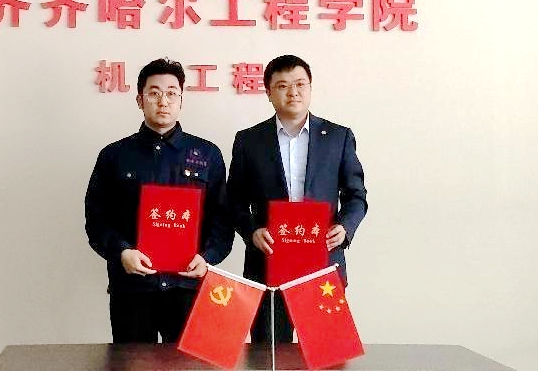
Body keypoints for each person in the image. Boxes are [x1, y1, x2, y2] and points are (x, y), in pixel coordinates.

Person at [85, 57, 233, 343]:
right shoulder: (114, 156)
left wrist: (208, 258)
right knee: (132, 362)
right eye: (154, 93)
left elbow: (222, 219)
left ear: (181, 100)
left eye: (171, 93)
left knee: (187, 363)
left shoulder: (208, 154)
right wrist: (122, 252)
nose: (163, 101)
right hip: (132, 288)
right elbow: (97, 220)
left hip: (187, 286)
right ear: (139, 100)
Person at [227, 54, 367, 343]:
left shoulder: (338, 137)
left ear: (310, 88)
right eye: (283, 86)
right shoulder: (249, 140)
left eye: (300, 84)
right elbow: (233, 199)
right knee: (269, 353)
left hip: (322, 263)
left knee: (325, 352)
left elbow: (356, 195)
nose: (293, 92)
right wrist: (252, 231)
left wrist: (345, 227)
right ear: (268, 92)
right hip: (267, 264)